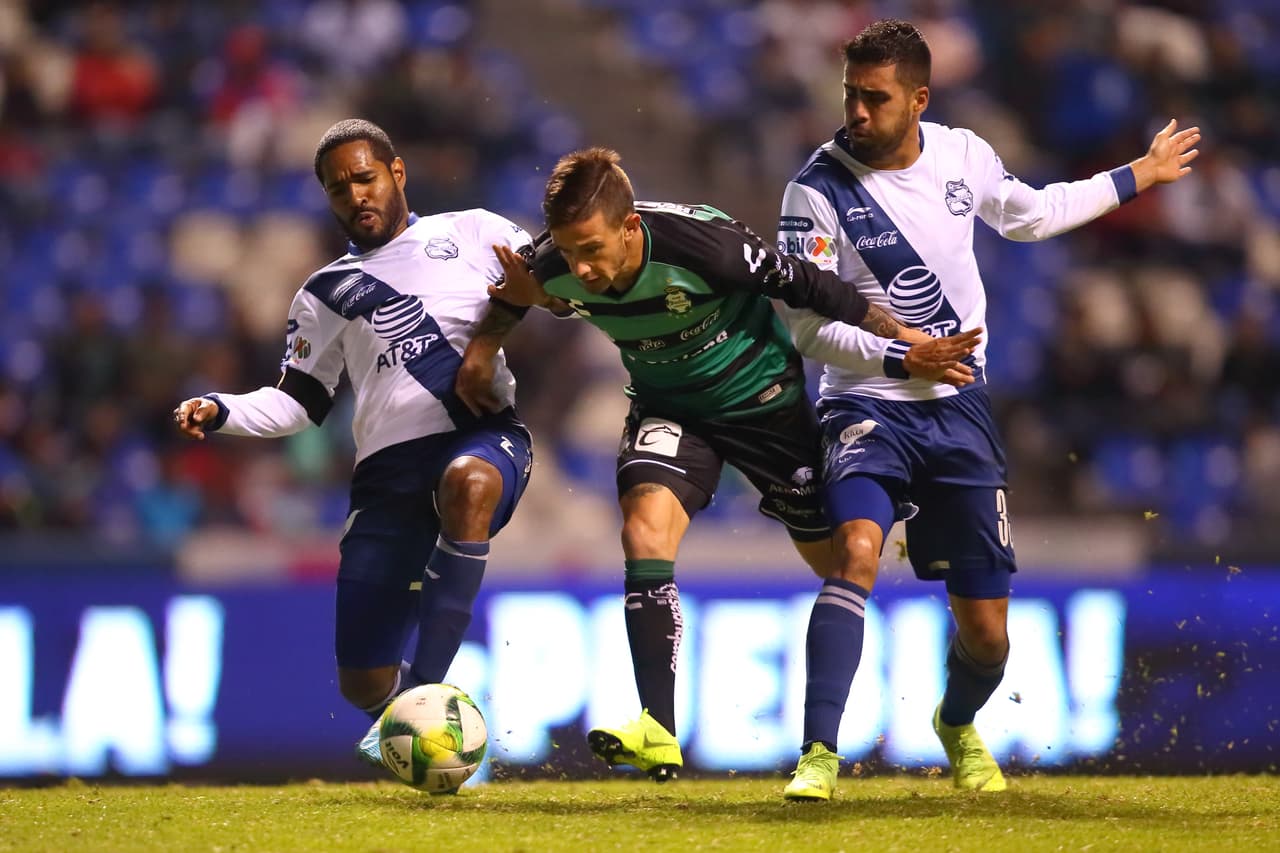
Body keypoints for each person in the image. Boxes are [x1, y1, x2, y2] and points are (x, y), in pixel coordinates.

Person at [455, 146, 980, 782]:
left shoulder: (706, 248)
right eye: (569, 253)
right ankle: (657, 728)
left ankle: (954, 684)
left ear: (630, 227)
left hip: (765, 407)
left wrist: (905, 338)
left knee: (839, 564)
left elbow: (811, 284)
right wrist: (483, 352)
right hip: (671, 410)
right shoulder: (553, 262)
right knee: (643, 531)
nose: (581, 267)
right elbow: (524, 293)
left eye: (592, 249)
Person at [774, 19, 1201, 800]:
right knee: (858, 554)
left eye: (876, 98)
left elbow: (1031, 215)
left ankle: (956, 722)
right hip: (866, 404)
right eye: (851, 96)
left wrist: (1138, 173)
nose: (858, 113)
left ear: (920, 100)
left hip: (958, 412)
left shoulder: (964, 154)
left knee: (988, 635)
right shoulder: (814, 190)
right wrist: (903, 355)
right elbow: (805, 327)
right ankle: (818, 755)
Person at [171, 119, 535, 786]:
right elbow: (299, 403)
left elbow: (552, 282)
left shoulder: (475, 231)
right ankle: (429, 743)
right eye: (338, 189)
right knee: (361, 680)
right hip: (387, 476)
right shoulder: (323, 293)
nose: (355, 195)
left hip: (482, 434)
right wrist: (224, 409)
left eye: (365, 177)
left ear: (397, 173)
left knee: (469, 484)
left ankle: (426, 695)